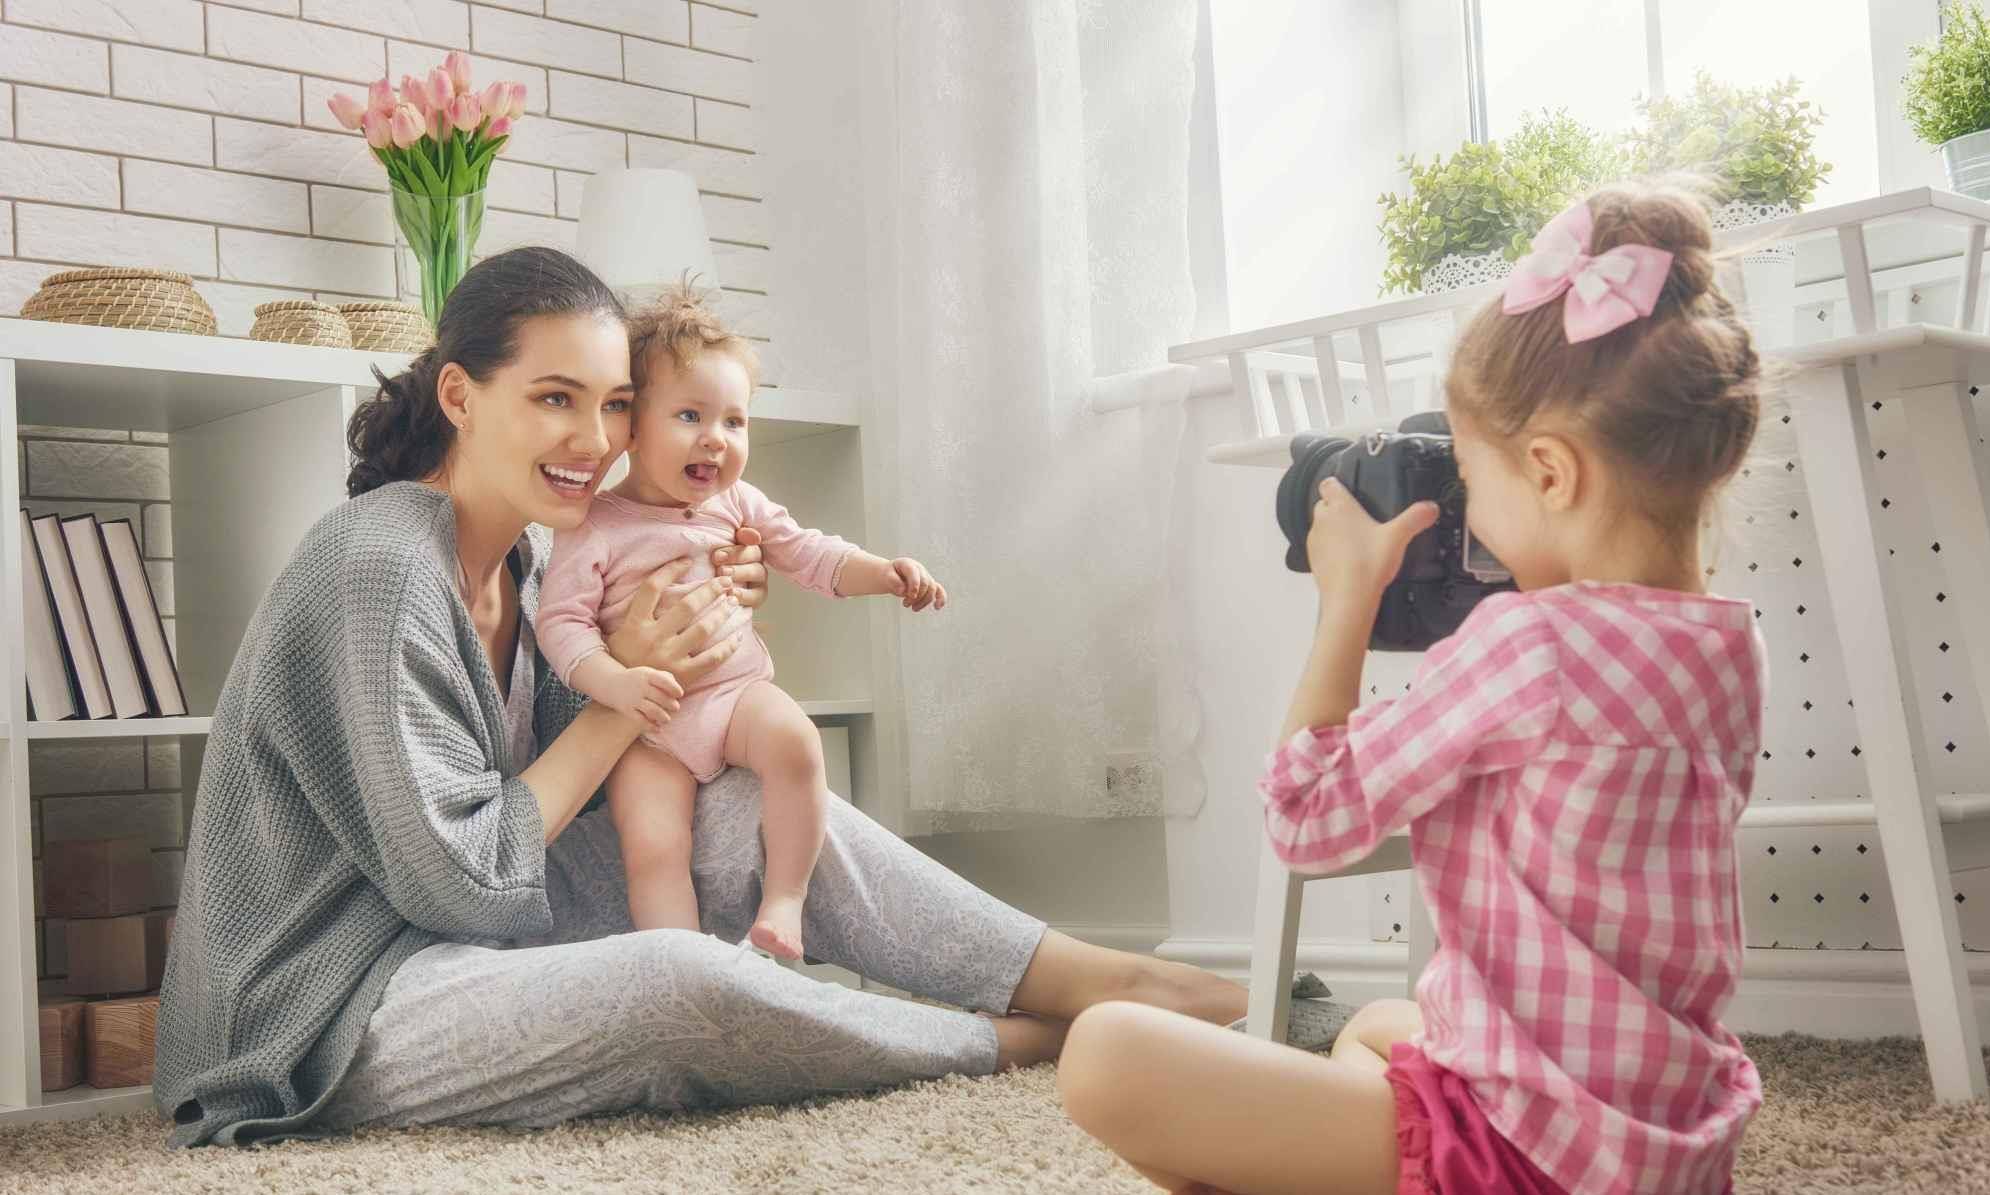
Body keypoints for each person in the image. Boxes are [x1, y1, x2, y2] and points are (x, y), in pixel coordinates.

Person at [153, 245, 1248, 1148]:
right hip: (322, 1010)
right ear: (459, 396)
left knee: (739, 807)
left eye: (616, 405)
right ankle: (1026, 1039)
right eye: (553, 399)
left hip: (450, 935)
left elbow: (546, 797)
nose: (595, 442)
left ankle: (1093, 975)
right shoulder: (378, 568)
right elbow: (462, 885)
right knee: (675, 980)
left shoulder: (525, 569)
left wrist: (666, 659)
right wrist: (634, 695)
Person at [1058, 182, 1768, 1195]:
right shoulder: (1727, 648)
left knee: (1105, 1052)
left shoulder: (1526, 643)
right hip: (1664, 1150)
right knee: (1381, 1026)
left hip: (1527, 1158)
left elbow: (1307, 820)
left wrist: (1345, 598)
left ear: (1551, 473)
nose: (1465, 510)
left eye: (1472, 483)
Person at [538, 283, 945, 961]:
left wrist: (885, 572)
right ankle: (686, 966)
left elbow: (810, 554)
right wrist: (614, 683)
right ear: (633, 426)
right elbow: (561, 625)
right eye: (690, 415)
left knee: (796, 744)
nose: (715, 439)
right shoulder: (595, 527)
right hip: (646, 727)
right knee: (654, 845)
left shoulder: (738, 503)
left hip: (733, 696)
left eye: (735, 421)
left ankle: (784, 902)